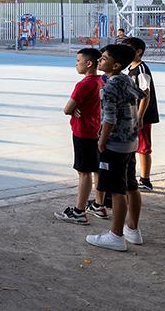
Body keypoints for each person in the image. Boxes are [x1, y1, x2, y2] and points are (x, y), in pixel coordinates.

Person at [86, 44, 144, 252]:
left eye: (104, 58)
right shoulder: (126, 79)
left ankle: (116, 235)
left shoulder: (109, 87)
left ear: (116, 64)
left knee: (116, 190)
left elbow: (109, 118)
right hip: (130, 142)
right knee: (131, 186)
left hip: (115, 145)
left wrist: (102, 141)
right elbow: (141, 96)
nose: (100, 60)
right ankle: (133, 229)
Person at [54, 48, 102, 225]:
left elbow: (67, 109)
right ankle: (99, 204)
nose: (76, 64)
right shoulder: (101, 81)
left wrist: (72, 109)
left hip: (83, 132)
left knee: (84, 173)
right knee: (96, 169)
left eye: (78, 61)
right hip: (97, 129)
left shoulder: (84, 85)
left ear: (89, 63)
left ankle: (79, 211)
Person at [124, 37, 159, 191]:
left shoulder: (142, 69)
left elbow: (146, 94)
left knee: (143, 147)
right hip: (132, 115)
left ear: (139, 51)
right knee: (132, 146)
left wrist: (139, 116)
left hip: (142, 115)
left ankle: (145, 180)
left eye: (128, 49)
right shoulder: (130, 68)